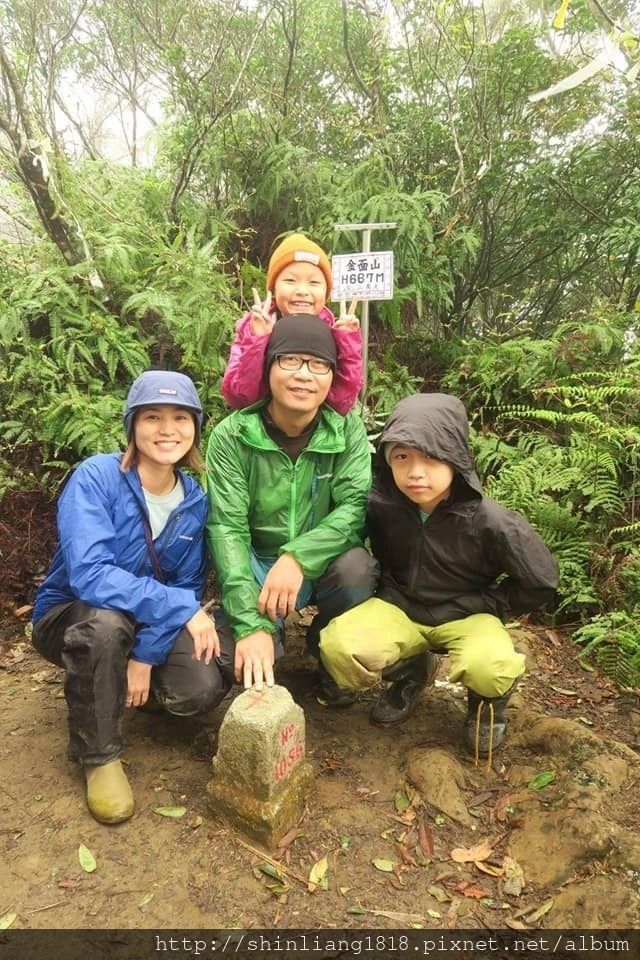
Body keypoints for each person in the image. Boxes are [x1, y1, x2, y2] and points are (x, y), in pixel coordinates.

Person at [31, 371, 234, 825]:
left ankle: (124, 681)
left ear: (196, 427)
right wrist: (181, 609)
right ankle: (98, 754)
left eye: (181, 417)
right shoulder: (98, 477)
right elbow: (90, 575)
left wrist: (145, 656)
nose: (167, 430)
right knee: (106, 622)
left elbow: (184, 584)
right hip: (73, 615)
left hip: (140, 622)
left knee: (196, 690)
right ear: (132, 426)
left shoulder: (194, 499)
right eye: (152, 417)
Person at [319, 392, 559, 761]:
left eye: (431, 458)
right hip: (400, 609)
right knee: (339, 645)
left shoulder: (489, 520)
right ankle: (410, 673)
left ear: (456, 458)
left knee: (492, 665)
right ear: (387, 460)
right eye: (402, 457)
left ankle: (487, 703)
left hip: (468, 616)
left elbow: (541, 580)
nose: (415, 472)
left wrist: (491, 603)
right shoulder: (381, 506)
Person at [206, 313, 378, 693]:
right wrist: (252, 625)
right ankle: (267, 628)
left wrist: (298, 556)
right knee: (230, 666)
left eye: (319, 364)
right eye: (290, 360)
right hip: (254, 565)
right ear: (269, 367)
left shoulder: (345, 428)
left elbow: (355, 505)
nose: (304, 374)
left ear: (333, 375)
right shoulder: (233, 435)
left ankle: (325, 650)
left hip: (320, 562)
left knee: (358, 568)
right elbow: (227, 529)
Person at [221, 232, 363, 415]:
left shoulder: (333, 332)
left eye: (314, 282)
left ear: (326, 292)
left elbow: (341, 403)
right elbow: (240, 397)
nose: (302, 291)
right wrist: (257, 340)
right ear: (273, 288)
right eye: (290, 281)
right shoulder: (252, 328)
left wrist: (347, 343)